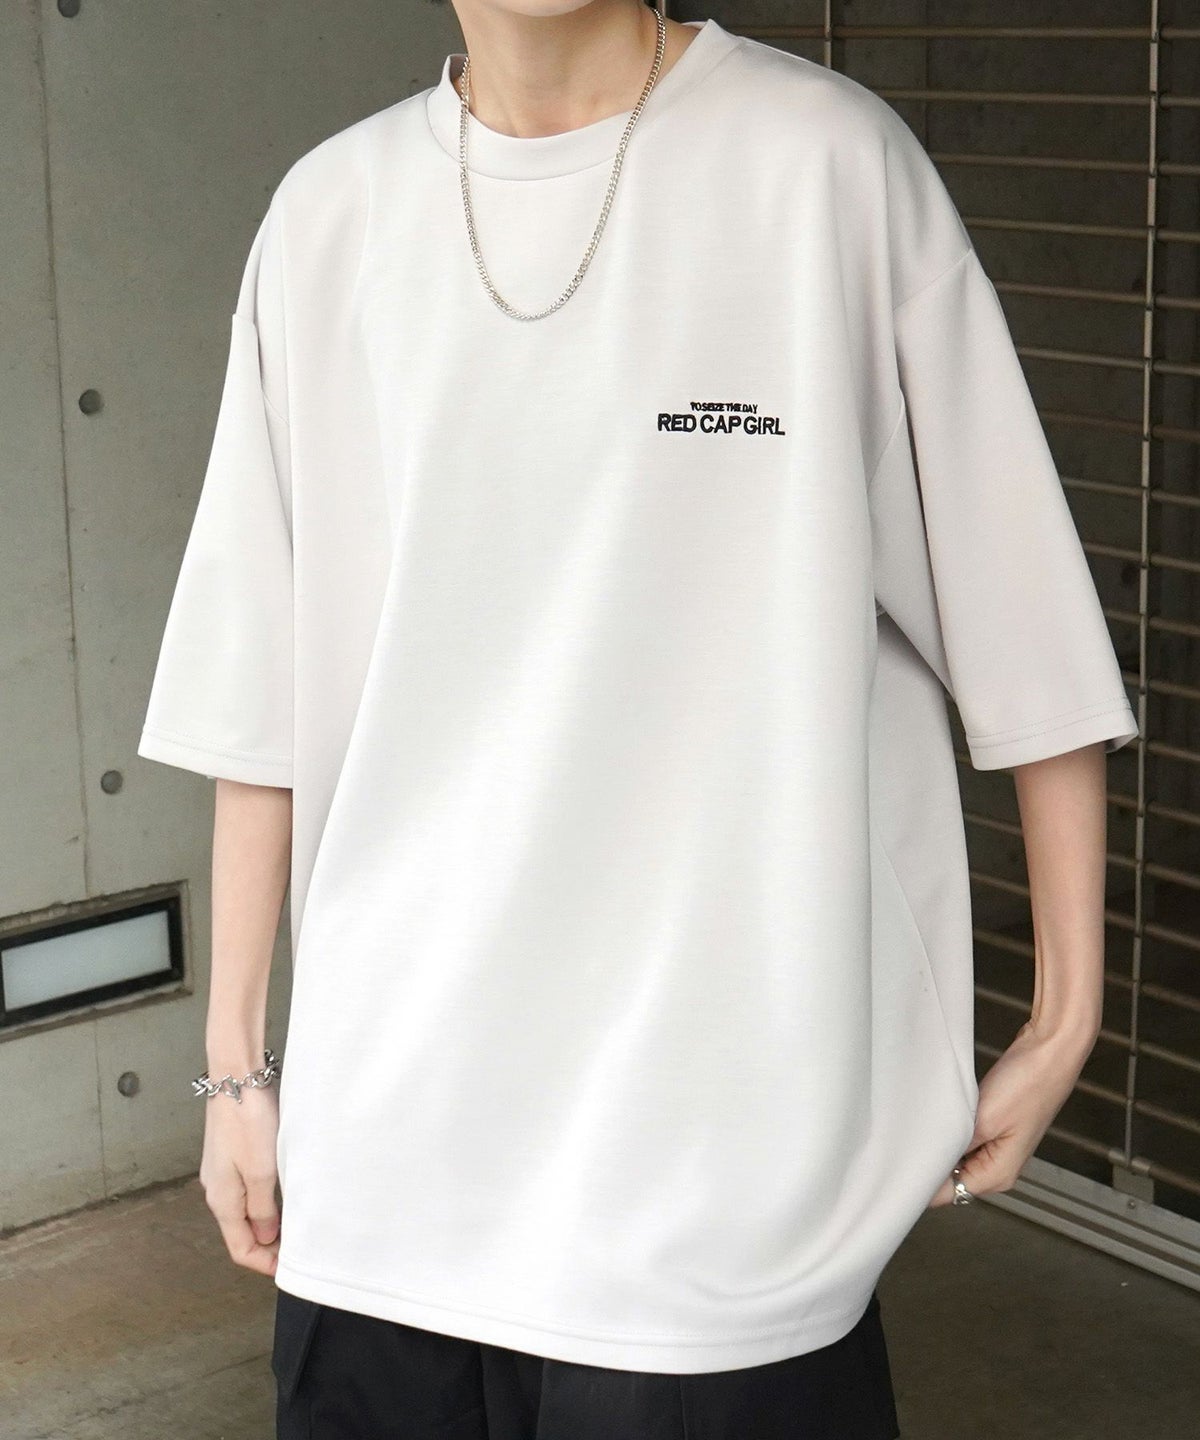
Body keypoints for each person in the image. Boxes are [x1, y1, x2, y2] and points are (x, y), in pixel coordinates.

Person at [137, 1, 1140, 1436]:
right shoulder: (329, 215)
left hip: (723, 1190)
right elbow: (258, 688)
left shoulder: (824, 166)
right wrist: (236, 1067)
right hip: (387, 1168)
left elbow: (1023, 621)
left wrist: (1068, 1009)